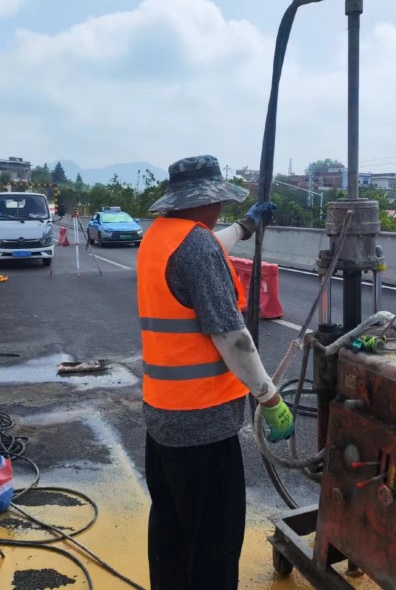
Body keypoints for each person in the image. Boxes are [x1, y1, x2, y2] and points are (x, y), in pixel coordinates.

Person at [137, 154, 294, 590]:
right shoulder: (197, 247)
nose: (221, 209)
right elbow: (233, 339)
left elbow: (208, 247)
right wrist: (270, 397)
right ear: (206, 201)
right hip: (203, 428)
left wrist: (246, 226)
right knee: (214, 544)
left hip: (162, 419)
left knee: (170, 531)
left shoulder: (159, 238)